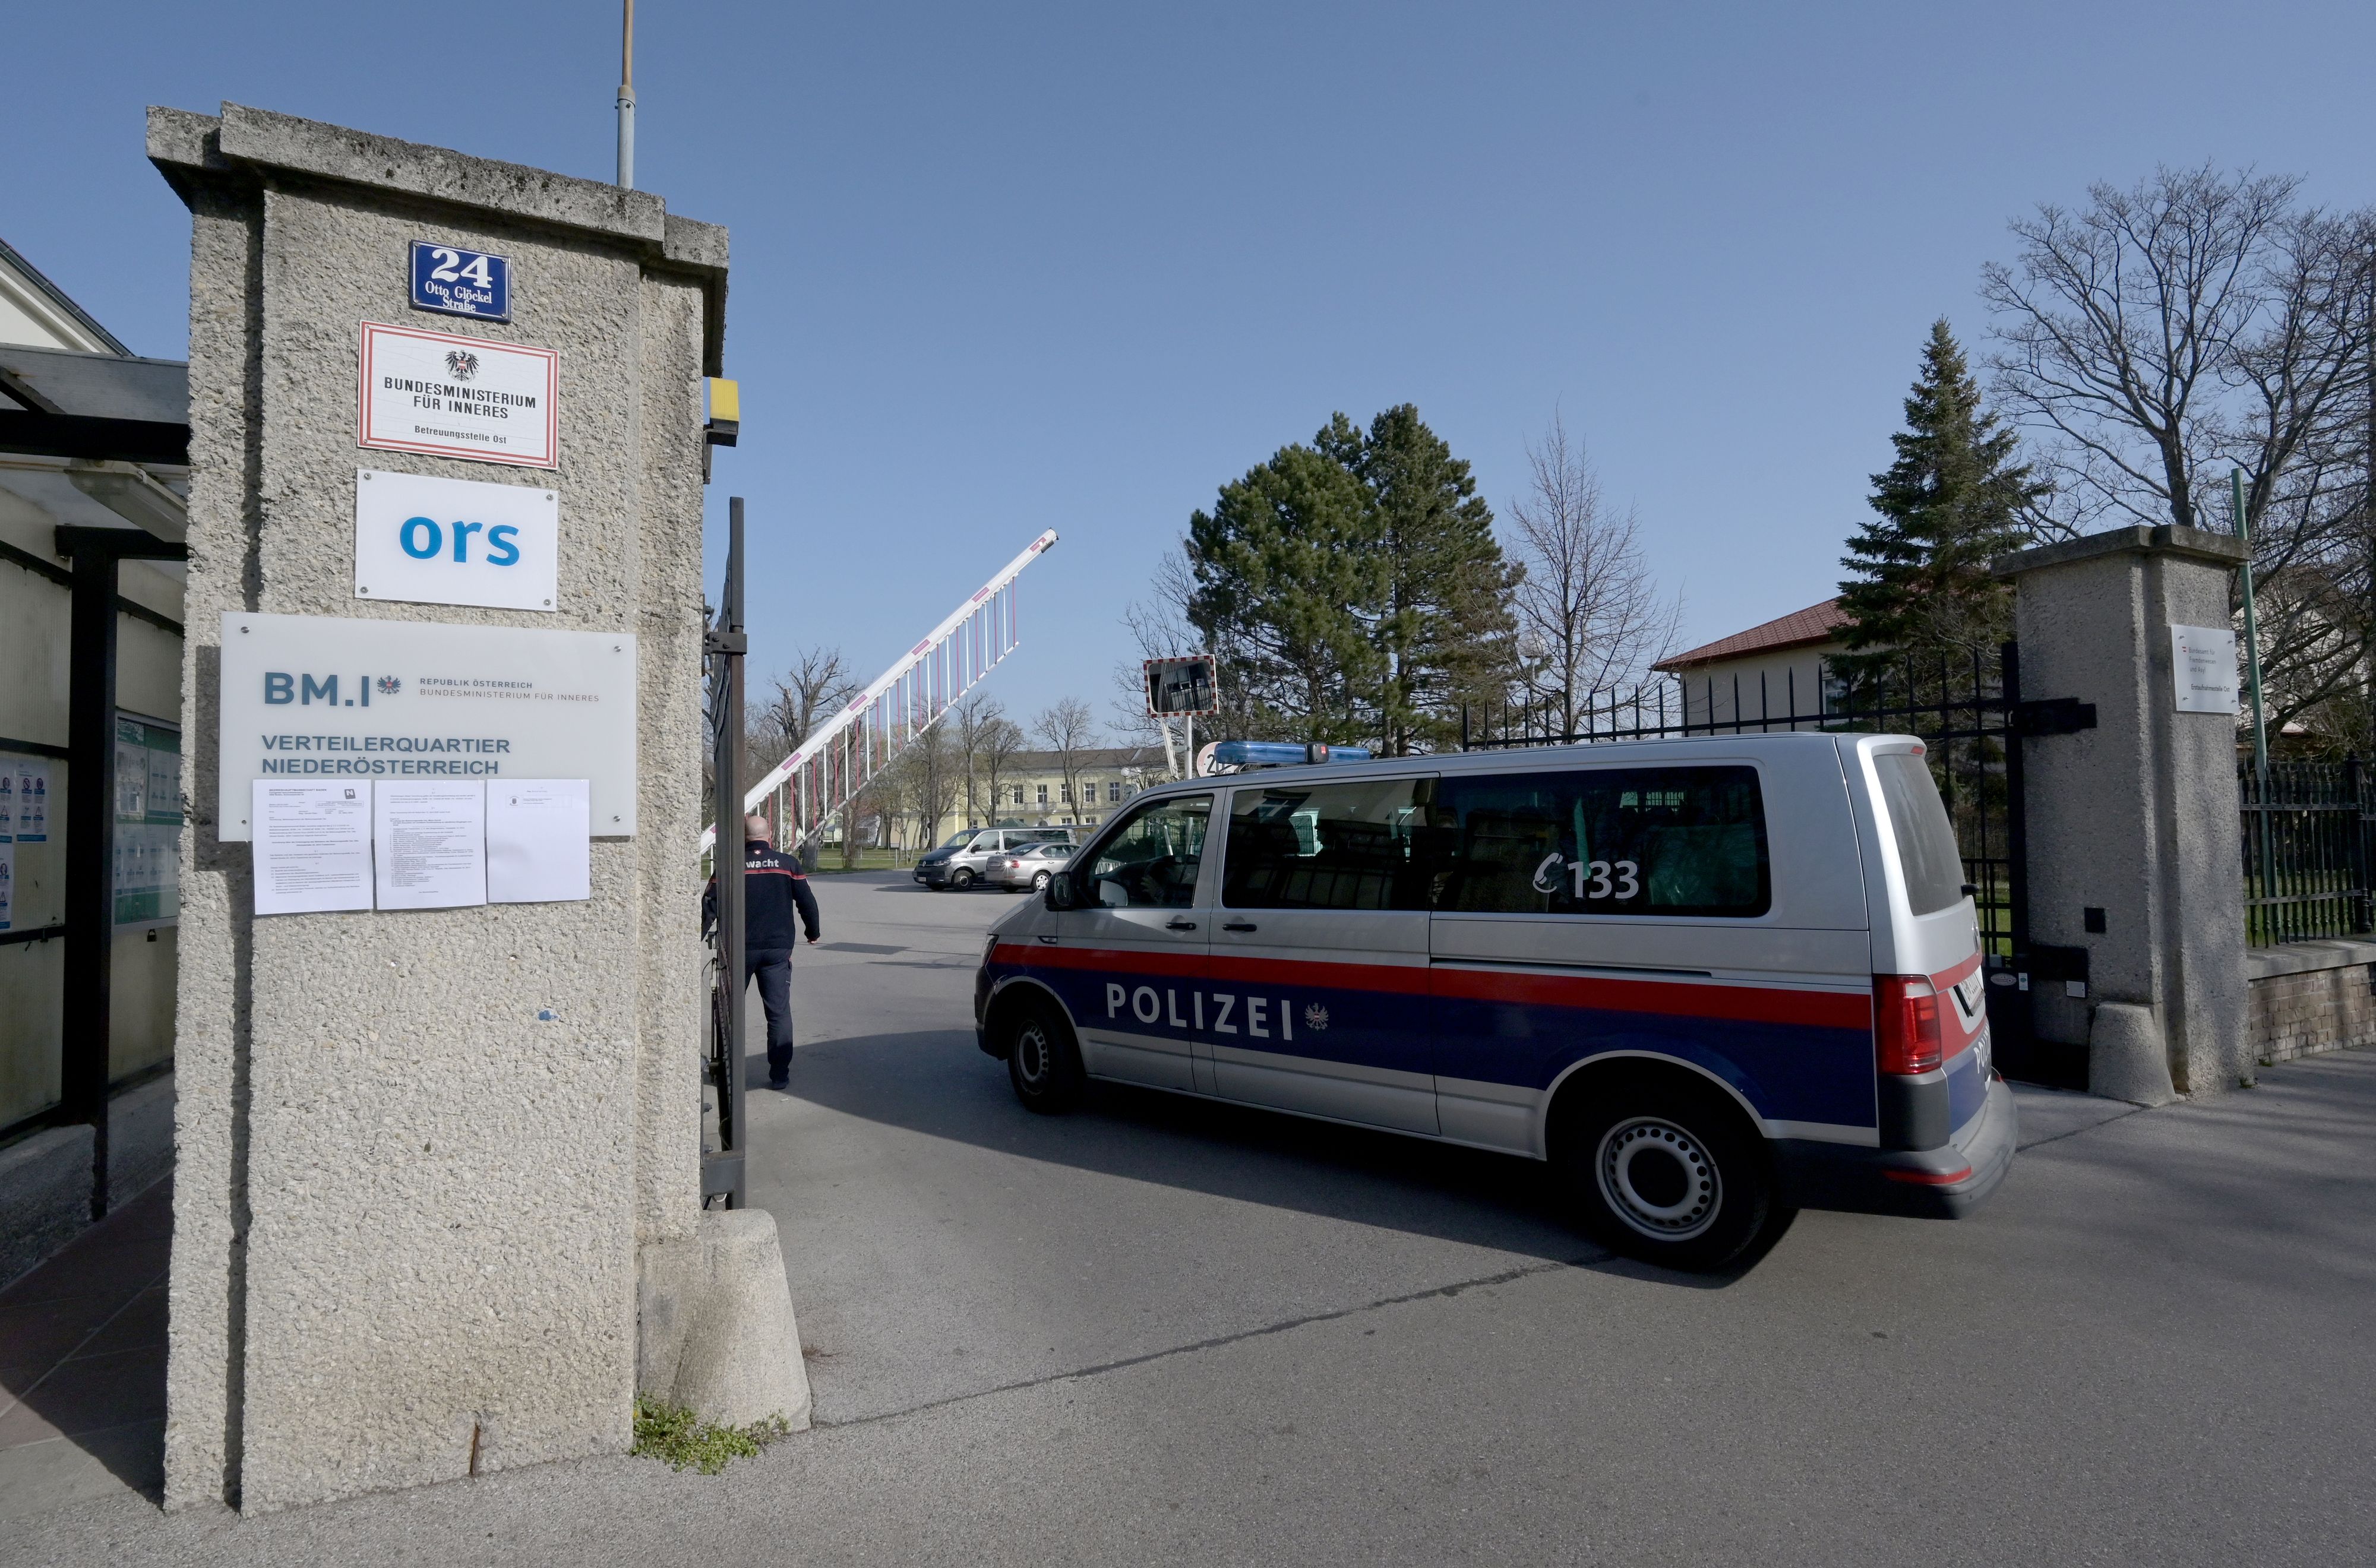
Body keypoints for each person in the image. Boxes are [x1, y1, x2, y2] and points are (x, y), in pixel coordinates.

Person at [702, 813, 820, 1090]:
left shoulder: (729, 865)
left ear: (743, 837)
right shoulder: (788, 864)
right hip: (777, 950)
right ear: (770, 836)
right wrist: (812, 932)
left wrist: (695, 936)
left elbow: (709, 905)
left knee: (729, 1011)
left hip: (738, 950)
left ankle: (728, 1070)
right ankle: (780, 1074)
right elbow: (808, 903)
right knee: (778, 1013)